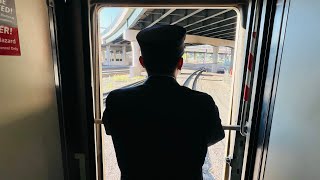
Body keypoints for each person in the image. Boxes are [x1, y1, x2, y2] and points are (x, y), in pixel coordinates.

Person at [102, 25, 225, 180]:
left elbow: (111, 129)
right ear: (180, 63)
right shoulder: (203, 102)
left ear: (142, 62)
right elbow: (216, 136)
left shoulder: (117, 100)